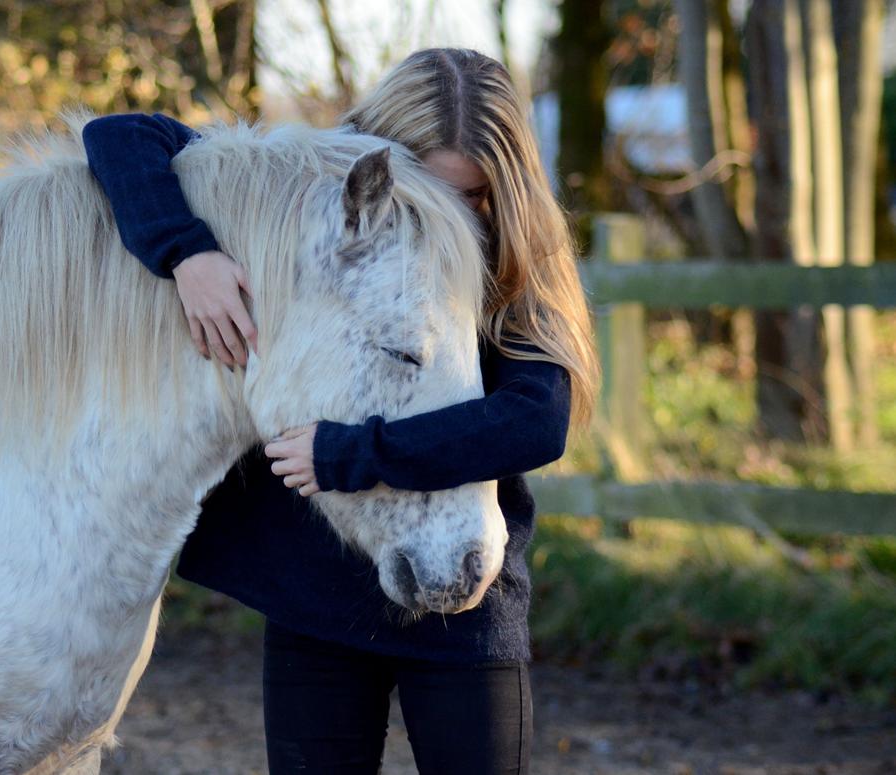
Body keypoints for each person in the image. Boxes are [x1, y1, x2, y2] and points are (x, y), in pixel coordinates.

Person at [82, 48, 598, 775]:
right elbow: (121, 134)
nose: (448, 217)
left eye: (472, 195)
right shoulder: (319, 204)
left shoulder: (515, 261)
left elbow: (533, 420)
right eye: (430, 190)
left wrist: (349, 455)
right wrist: (186, 254)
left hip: (463, 609)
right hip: (313, 603)